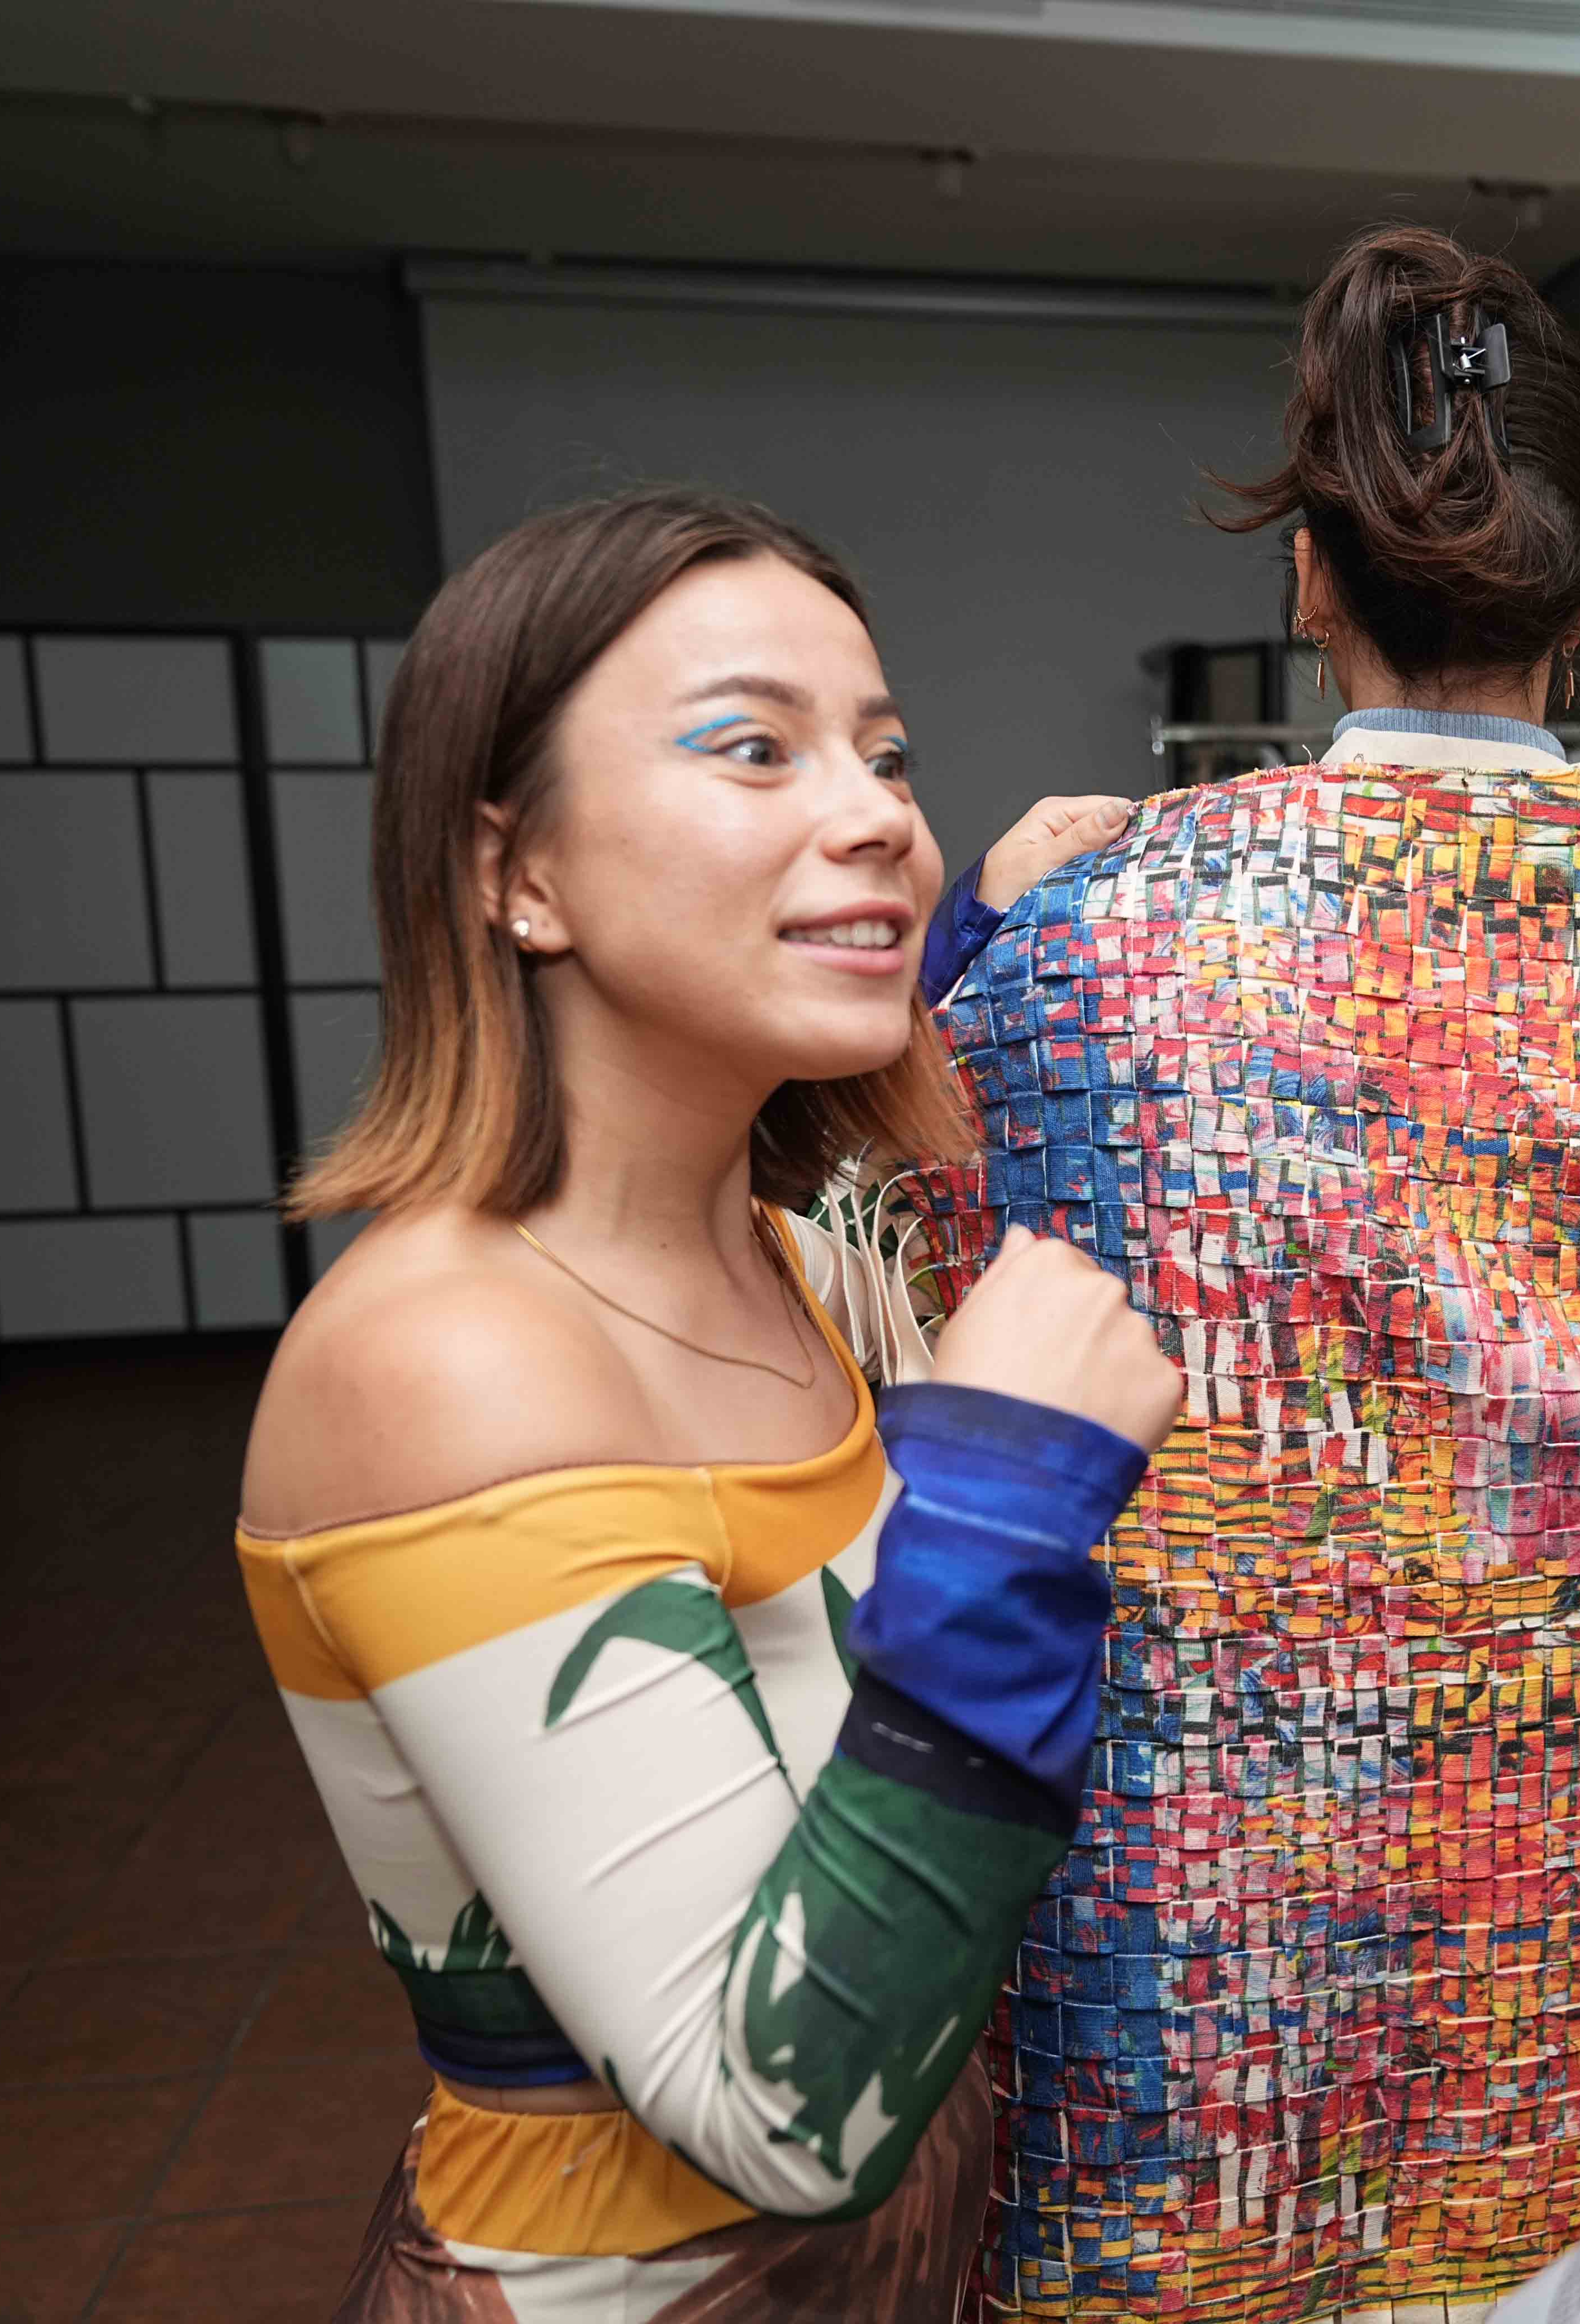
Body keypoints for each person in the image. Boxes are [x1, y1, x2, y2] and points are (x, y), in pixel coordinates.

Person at [878, 226, 1580, 2320]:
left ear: (1307, 582)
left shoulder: (1084, 944)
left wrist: (973, 933)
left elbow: (903, 1259)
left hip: (1229, 1923)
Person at [235, 488, 1181, 2321]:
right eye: (755, 749)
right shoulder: (447, 1356)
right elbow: (783, 2113)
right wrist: (1007, 1496)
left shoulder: (792, 1258)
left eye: (885, 757)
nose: (880, 816)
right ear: (517, 872)